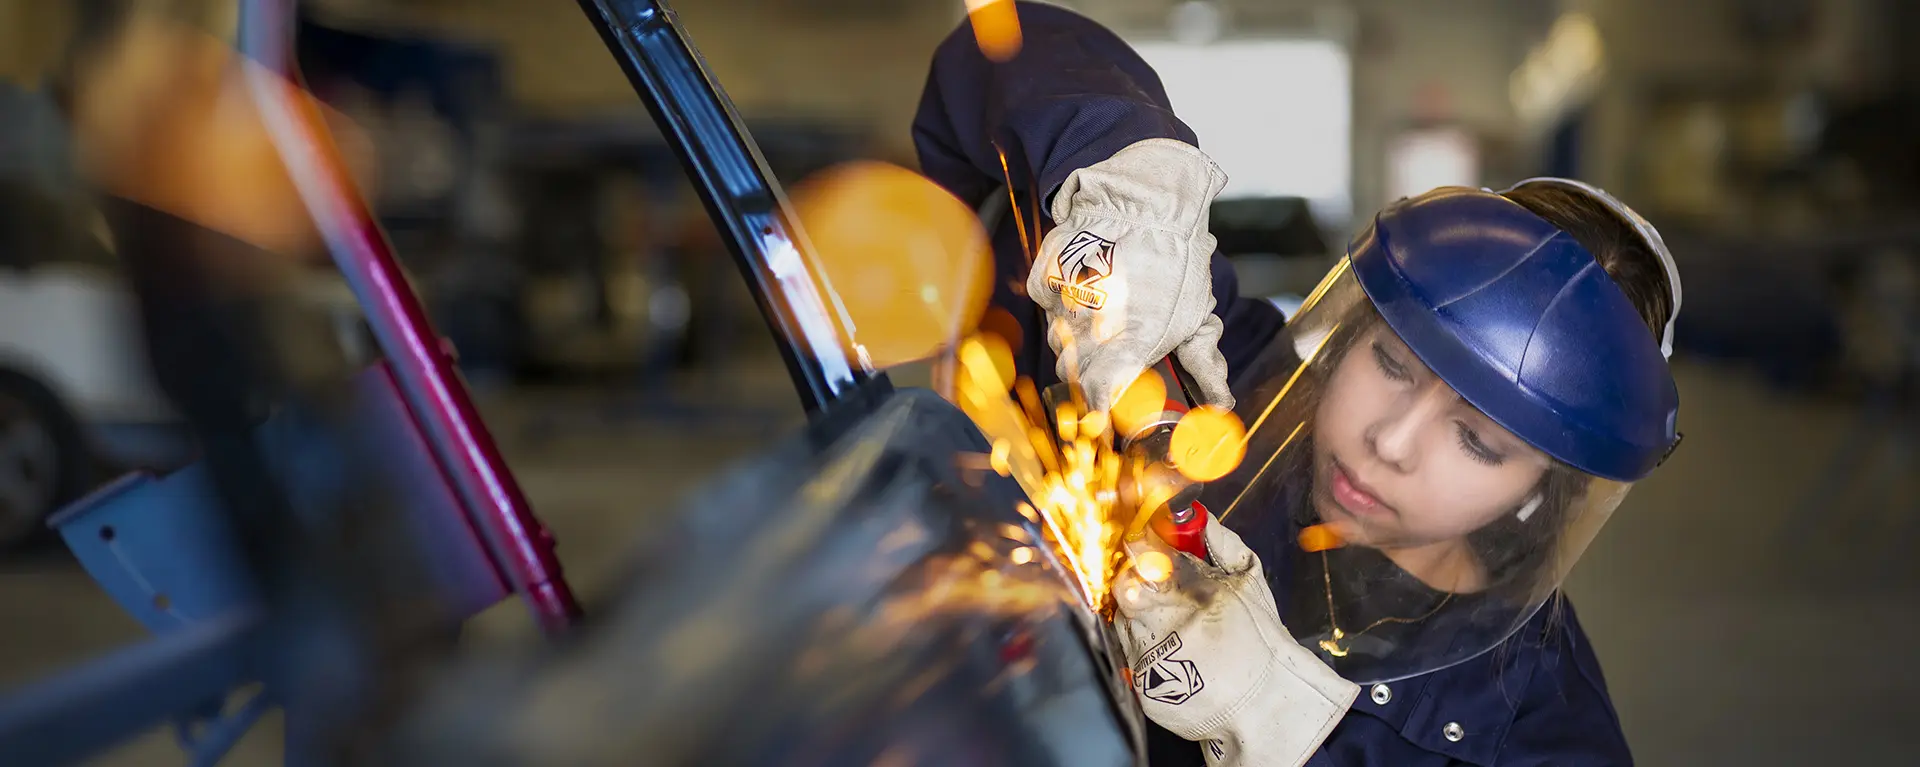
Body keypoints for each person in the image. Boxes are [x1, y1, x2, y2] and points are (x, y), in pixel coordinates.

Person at [914, 5, 1681, 765]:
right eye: (1390, 364)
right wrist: (1128, 181)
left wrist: (1291, 733)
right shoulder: (1206, 379)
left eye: (1477, 439)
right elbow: (1003, 48)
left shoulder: (1535, 731)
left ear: (1539, 489)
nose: (1389, 441)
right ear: (1348, 333)